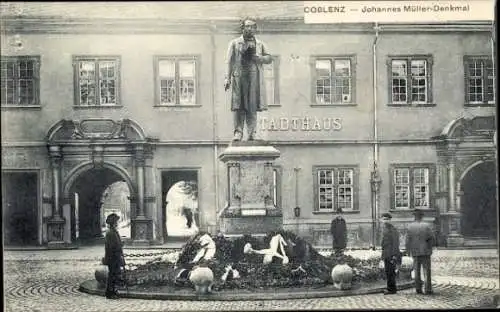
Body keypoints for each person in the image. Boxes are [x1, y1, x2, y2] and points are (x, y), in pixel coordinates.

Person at [224, 18, 273, 141]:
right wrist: (227, 78)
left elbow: (269, 58)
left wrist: (259, 58)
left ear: (255, 29)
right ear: (243, 28)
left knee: (252, 105)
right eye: (247, 26)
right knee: (238, 105)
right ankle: (238, 132)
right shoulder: (234, 43)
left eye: (252, 27)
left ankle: (252, 133)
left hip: (253, 76)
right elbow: (229, 61)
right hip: (239, 77)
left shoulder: (260, 44)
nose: (249, 29)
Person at [405, 209, 435, 295]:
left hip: (415, 252)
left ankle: (418, 289)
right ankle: (428, 289)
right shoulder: (427, 226)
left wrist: (408, 251)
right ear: (422, 216)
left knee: (416, 271)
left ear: (414, 216)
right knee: (427, 271)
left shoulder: (410, 226)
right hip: (425, 252)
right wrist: (430, 249)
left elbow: (407, 241)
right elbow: (432, 239)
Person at [102, 213, 124, 299]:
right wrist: (120, 246)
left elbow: (116, 244)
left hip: (115, 257)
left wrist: (120, 244)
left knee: (114, 274)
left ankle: (113, 291)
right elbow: (111, 247)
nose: (117, 223)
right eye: (116, 221)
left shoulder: (113, 232)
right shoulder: (110, 233)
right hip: (112, 257)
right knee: (112, 275)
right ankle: (109, 293)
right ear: (113, 223)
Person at [380, 212, 400, 295]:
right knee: (388, 271)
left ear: (390, 220)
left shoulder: (392, 230)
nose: (385, 221)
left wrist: (394, 255)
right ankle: (390, 287)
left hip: (391, 253)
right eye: (384, 219)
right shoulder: (384, 228)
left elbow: (395, 243)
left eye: (387, 219)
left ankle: (392, 289)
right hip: (386, 253)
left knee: (391, 271)